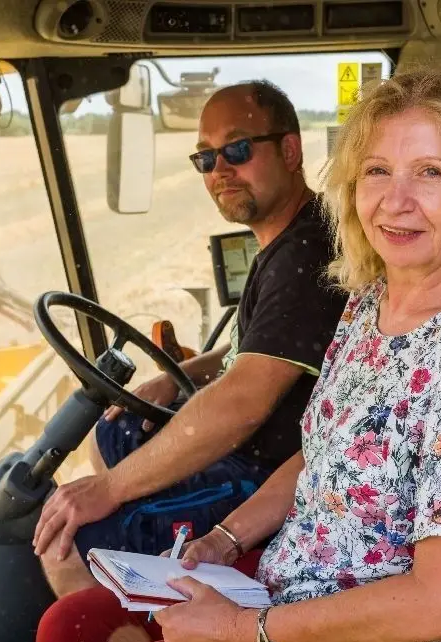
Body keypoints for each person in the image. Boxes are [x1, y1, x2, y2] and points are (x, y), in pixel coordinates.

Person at [35, 64, 441, 642]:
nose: (395, 200)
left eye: (431, 173)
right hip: (289, 586)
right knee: (66, 631)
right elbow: (318, 454)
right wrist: (224, 540)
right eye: (377, 171)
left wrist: (241, 635)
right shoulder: (369, 302)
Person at [32, 80, 349, 596]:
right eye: (205, 157)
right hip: (251, 445)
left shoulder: (306, 255)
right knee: (115, 429)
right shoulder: (287, 237)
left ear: (290, 151)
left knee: (68, 541)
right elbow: (259, 344)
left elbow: (244, 401)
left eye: (238, 149)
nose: (219, 169)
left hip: (265, 470)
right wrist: (183, 374)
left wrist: (110, 490)